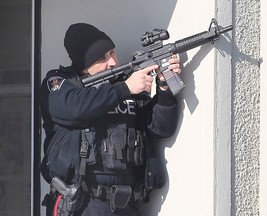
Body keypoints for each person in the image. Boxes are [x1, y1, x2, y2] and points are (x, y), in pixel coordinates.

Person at [40, 23, 181, 216]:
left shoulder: (124, 85)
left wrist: (164, 89)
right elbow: (76, 108)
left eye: (112, 52)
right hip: (82, 204)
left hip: (129, 205)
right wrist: (125, 88)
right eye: (102, 58)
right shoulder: (60, 84)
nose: (113, 62)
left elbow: (160, 129)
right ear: (84, 64)